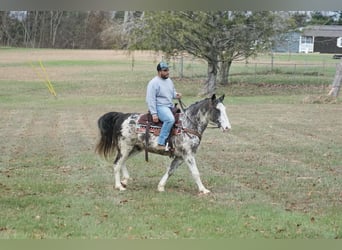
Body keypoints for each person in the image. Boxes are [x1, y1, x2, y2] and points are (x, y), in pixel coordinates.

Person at [146, 62, 182, 150]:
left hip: (169, 106)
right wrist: (154, 113)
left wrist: (176, 95)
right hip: (160, 106)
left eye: (168, 70)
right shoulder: (153, 83)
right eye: (165, 70)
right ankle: (160, 143)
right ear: (159, 72)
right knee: (170, 119)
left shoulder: (169, 81)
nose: (167, 72)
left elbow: (171, 93)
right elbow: (150, 99)